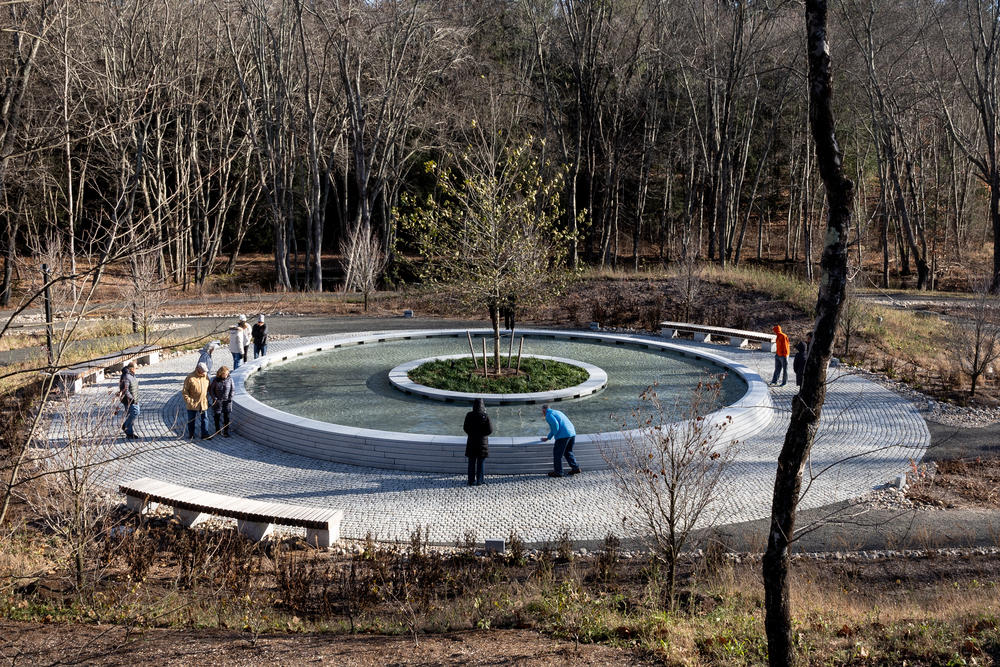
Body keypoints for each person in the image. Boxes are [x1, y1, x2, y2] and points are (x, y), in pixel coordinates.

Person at [541, 404, 580, 478]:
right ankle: (576, 468)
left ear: (544, 410)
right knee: (568, 452)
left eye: (542, 411)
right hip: (572, 433)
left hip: (563, 436)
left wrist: (549, 437)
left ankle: (558, 472)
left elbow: (555, 426)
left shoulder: (548, 415)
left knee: (557, 454)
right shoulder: (557, 412)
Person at [463, 398, 492, 486]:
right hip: (482, 443)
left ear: (474, 405)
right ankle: (479, 481)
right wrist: (483, 435)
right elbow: (490, 430)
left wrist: (471, 434)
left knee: (471, 462)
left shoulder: (469, 415)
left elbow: (465, 427)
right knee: (481, 463)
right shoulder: (485, 416)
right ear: (483, 405)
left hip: (471, 442)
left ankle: (470, 481)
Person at [183, 362, 211, 439]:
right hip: (193, 403)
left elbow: (209, 388)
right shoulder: (190, 377)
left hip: (203, 402)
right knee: (191, 420)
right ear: (198, 369)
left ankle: (205, 434)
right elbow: (185, 391)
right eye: (203, 370)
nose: (205, 372)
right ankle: (191, 434)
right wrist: (189, 401)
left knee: (205, 419)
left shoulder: (206, 376)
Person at [209, 366, 234, 438]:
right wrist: (214, 398)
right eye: (224, 374)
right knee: (217, 416)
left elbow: (232, 389)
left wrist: (231, 397)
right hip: (218, 401)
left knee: (227, 417)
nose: (226, 375)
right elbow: (211, 390)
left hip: (227, 401)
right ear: (221, 374)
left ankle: (226, 431)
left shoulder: (230, 379)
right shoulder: (215, 380)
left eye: (227, 374)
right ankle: (218, 430)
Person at [117, 360, 139, 439]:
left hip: (134, 399)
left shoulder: (131, 375)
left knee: (133, 413)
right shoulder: (127, 376)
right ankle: (127, 429)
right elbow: (125, 390)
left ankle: (127, 428)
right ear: (132, 368)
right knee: (135, 412)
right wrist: (132, 398)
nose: (137, 369)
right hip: (129, 400)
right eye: (136, 368)